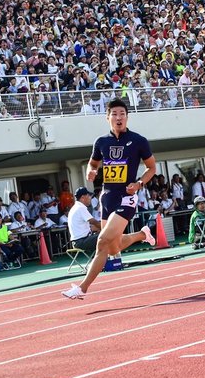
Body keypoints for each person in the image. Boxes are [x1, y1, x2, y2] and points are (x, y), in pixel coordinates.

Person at [63, 99, 157, 299]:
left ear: (127, 117)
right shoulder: (101, 142)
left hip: (126, 198)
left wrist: (139, 184)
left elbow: (152, 168)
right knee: (113, 248)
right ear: (108, 118)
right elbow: (92, 164)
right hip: (107, 198)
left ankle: (82, 288)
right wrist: (91, 172)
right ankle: (142, 234)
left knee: (103, 242)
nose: (118, 117)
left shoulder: (138, 140)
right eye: (114, 114)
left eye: (122, 113)